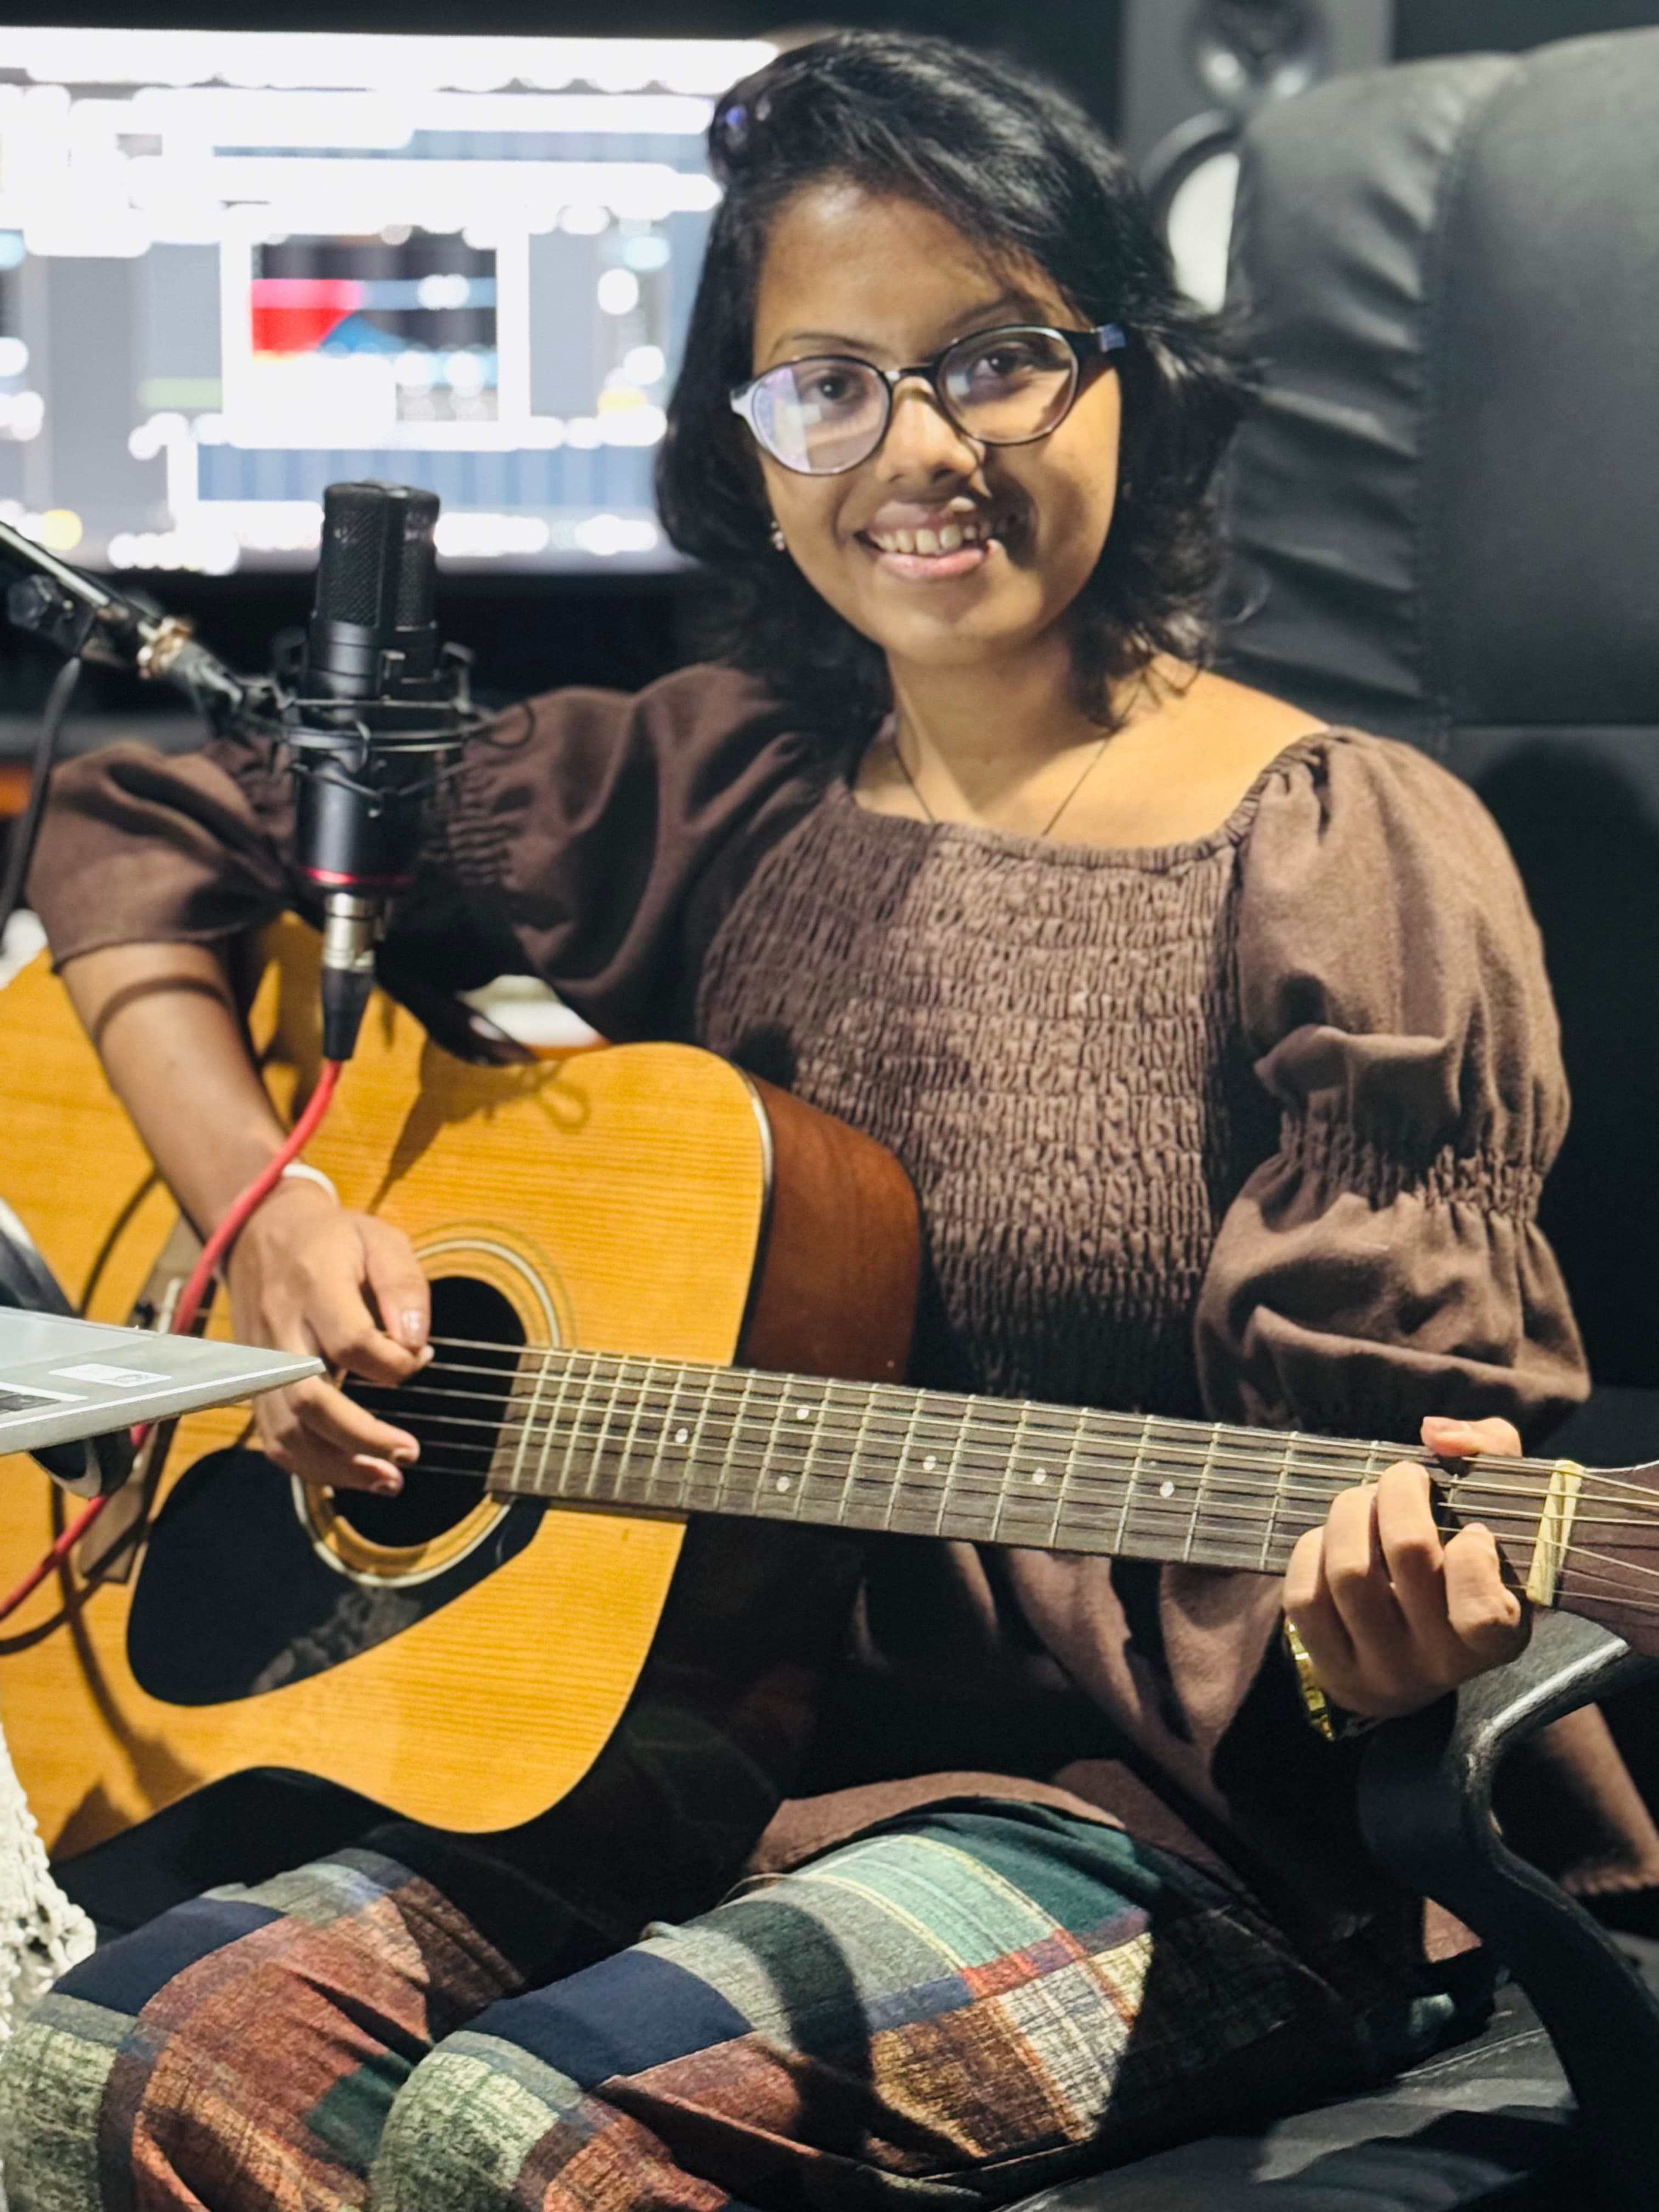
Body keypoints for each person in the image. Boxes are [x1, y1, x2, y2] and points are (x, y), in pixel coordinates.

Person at [0, 29, 1643, 2210]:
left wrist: (1398, 1638)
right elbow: (143, 812)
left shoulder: (1339, 849)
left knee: (534, 2143)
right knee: (105, 2061)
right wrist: (271, 1207)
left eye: (999, 358)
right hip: (683, 1745)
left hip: (1170, 1823)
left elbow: (1399, 1492)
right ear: (750, 448)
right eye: (827, 382)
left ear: (1138, 377)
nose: (916, 446)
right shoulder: (721, 776)